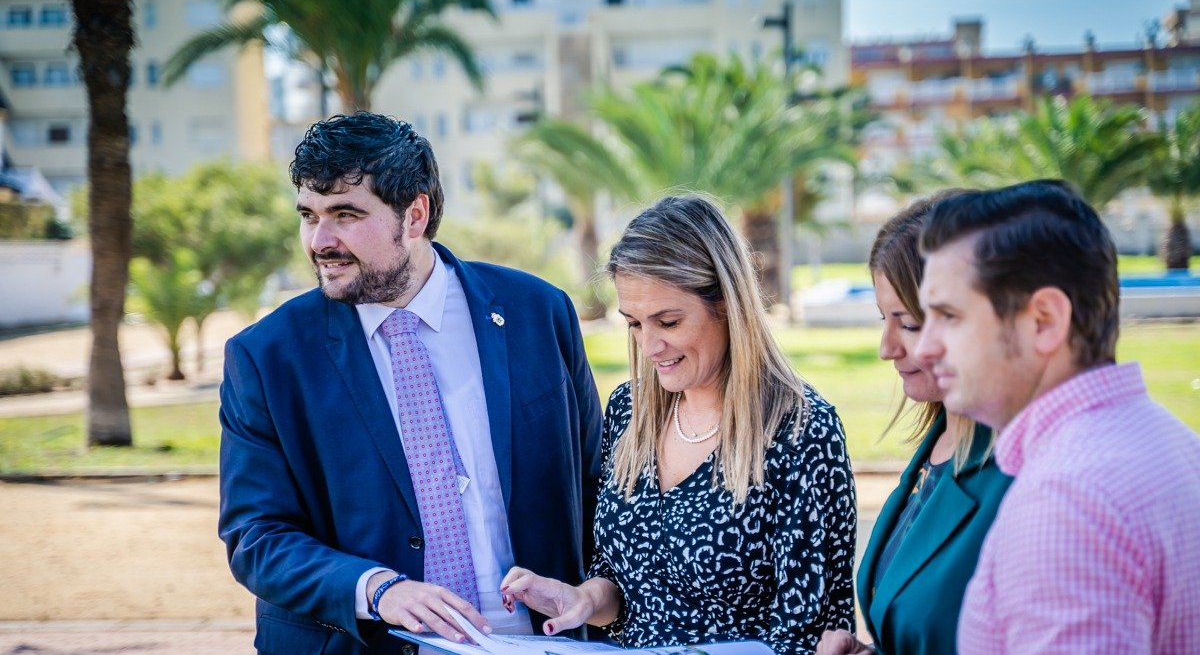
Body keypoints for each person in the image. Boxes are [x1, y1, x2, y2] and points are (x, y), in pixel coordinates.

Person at [218, 112, 604, 654]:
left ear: (415, 214)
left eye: (346, 214)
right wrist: (379, 590)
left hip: (541, 643)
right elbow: (257, 536)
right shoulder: (266, 357)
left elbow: (599, 483)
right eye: (309, 215)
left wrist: (598, 595)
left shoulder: (539, 313)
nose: (320, 241)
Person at [500, 194, 857, 653]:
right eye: (633, 324)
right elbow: (627, 590)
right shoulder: (631, 411)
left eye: (667, 322)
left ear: (726, 303)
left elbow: (813, 633)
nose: (649, 347)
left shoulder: (801, 431)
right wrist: (583, 598)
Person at [912, 179, 1200, 653]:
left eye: (949, 316)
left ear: (1043, 321)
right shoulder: (1169, 440)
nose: (924, 347)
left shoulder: (1067, 502)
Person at [816, 195, 1012, 655]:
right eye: (884, 319)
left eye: (905, 323)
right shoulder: (941, 437)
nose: (886, 347)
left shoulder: (1022, 472)